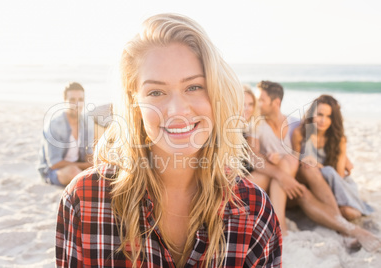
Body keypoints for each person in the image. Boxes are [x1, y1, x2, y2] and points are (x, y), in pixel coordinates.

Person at [56, 14, 282, 267]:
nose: (177, 110)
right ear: (135, 103)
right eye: (156, 92)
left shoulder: (254, 210)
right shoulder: (85, 199)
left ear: (216, 92)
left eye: (194, 87)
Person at [293, 95, 374, 219]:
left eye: (329, 116)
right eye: (320, 114)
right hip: (310, 183)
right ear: (312, 113)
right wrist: (302, 161)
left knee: (350, 213)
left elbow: (339, 176)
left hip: (334, 184)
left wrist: (319, 166)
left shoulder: (339, 139)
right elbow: (293, 165)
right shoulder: (300, 133)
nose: (323, 120)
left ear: (334, 119)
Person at [245, 81, 305, 234]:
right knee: (273, 169)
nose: (257, 104)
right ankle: (280, 226)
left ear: (276, 102)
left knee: (288, 160)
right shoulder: (256, 123)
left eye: (261, 100)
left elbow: (301, 156)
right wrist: (270, 160)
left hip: (290, 179)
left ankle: (280, 226)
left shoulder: (295, 124)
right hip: (269, 174)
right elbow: (253, 154)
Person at [38, 82, 94, 186]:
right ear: (65, 101)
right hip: (54, 171)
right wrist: (85, 165)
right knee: (74, 172)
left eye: (80, 100)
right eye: (72, 100)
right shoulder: (54, 125)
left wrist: (93, 162)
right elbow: (54, 163)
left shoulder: (87, 123)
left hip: (79, 166)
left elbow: (88, 153)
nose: (77, 104)